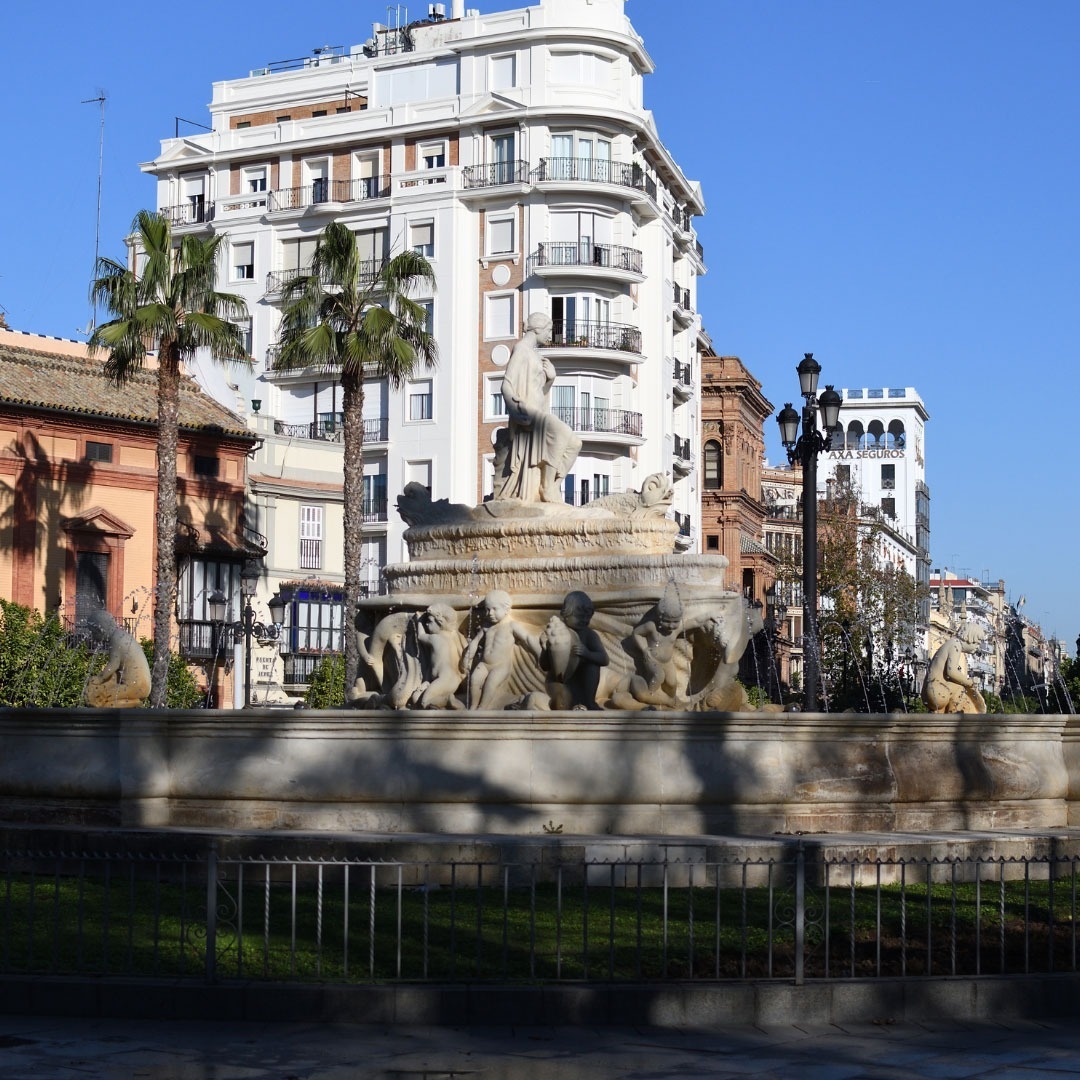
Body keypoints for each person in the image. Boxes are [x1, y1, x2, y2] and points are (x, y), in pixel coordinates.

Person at [493, 313, 581, 503]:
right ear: (538, 329)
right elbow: (506, 384)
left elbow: (539, 390)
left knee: (575, 444)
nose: (550, 335)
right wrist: (514, 409)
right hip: (527, 412)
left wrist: (550, 379)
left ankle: (554, 485)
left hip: (538, 412)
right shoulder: (522, 350)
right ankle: (546, 486)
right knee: (562, 431)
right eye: (549, 330)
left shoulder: (534, 354)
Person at [83, 610, 151, 708]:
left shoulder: (116, 639)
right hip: (141, 687)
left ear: (100, 629)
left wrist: (99, 679)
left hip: (136, 687)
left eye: (94, 633)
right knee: (104, 693)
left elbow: (112, 665)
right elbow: (115, 672)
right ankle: (134, 703)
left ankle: (134, 704)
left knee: (101, 698)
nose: (93, 637)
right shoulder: (121, 635)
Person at [922, 622, 987, 713]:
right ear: (969, 638)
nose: (977, 647)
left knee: (955, 686)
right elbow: (951, 671)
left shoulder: (950, 643)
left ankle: (939, 713)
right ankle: (955, 714)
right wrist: (969, 683)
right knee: (960, 688)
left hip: (928, 693)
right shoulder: (955, 645)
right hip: (937, 692)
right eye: (977, 643)